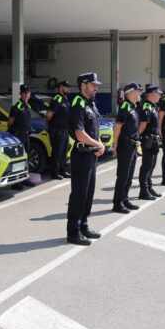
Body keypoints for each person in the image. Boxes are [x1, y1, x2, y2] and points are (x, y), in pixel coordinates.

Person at [66, 72, 105, 246]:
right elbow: (79, 134)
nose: (96, 88)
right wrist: (97, 143)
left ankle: (83, 226)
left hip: (90, 154)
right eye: (93, 85)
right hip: (81, 155)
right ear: (83, 85)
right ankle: (73, 231)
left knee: (88, 193)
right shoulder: (78, 103)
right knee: (79, 194)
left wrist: (96, 146)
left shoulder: (90, 103)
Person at [111, 82, 143, 213]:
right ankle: (117, 203)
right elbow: (117, 127)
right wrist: (115, 145)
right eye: (138, 91)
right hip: (125, 146)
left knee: (129, 176)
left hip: (132, 145)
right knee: (123, 176)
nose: (140, 93)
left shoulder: (133, 107)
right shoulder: (125, 107)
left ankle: (125, 199)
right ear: (131, 92)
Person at [137, 85, 163, 200]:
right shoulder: (147, 106)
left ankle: (149, 187)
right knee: (147, 165)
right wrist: (137, 137)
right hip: (148, 140)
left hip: (154, 139)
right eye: (158, 94)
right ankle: (144, 190)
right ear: (152, 94)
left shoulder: (153, 106)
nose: (160, 96)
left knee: (152, 165)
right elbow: (143, 125)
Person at [8, 84, 36, 188]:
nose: (26, 94)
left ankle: (24, 178)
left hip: (26, 135)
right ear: (20, 94)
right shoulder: (17, 106)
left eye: (27, 92)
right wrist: (14, 133)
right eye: (24, 92)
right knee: (17, 159)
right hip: (19, 136)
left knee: (26, 158)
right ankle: (15, 182)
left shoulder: (27, 106)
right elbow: (10, 122)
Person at [46, 80, 71, 179]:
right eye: (66, 87)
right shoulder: (57, 99)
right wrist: (53, 127)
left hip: (65, 130)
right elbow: (49, 115)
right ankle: (54, 173)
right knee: (57, 152)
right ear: (61, 87)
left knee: (64, 152)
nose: (69, 89)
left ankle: (62, 170)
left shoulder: (64, 99)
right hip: (58, 131)